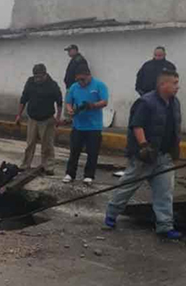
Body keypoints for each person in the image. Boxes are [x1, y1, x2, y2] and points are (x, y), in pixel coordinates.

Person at [105, 70, 182, 240]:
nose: (178, 86)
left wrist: (175, 148)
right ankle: (111, 214)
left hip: (163, 156)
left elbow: (174, 127)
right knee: (128, 186)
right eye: (174, 83)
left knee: (165, 191)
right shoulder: (146, 102)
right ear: (163, 84)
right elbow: (137, 125)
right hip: (144, 156)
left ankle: (164, 226)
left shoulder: (174, 103)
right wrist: (144, 147)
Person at [63, 65, 108, 184]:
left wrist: (92, 105)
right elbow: (68, 102)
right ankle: (70, 173)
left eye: (83, 79)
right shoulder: (74, 87)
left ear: (89, 76)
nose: (80, 82)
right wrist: (70, 110)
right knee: (74, 151)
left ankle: (89, 175)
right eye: (78, 80)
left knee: (92, 152)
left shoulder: (99, 85)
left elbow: (104, 102)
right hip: (78, 125)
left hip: (94, 126)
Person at [15, 64, 63, 174]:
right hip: (32, 118)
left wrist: (58, 118)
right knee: (30, 143)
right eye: (36, 77)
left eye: (40, 77)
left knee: (47, 145)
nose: (37, 79)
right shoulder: (30, 82)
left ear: (45, 74)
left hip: (47, 119)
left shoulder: (52, 85)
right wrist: (18, 115)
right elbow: (24, 99)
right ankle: (25, 164)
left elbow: (59, 102)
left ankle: (48, 167)